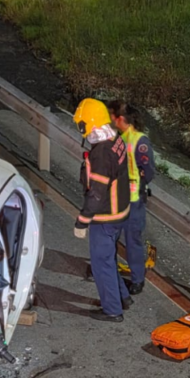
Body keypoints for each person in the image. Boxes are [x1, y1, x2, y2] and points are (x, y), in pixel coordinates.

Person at [72, 98, 131, 323]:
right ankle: (122, 297)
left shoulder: (101, 153)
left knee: (101, 264)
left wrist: (82, 220)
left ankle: (113, 309)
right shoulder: (115, 139)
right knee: (109, 259)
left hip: (105, 217)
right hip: (118, 213)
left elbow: (96, 192)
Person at [107, 100, 155, 295]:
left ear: (120, 119)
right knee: (112, 236)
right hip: (118, 196)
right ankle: (109, 270)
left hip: (133, 199)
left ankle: (137, 279)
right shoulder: (121, 138)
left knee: (132, 240)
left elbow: (148, 170)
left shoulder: (138, 141)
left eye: (111, 116)